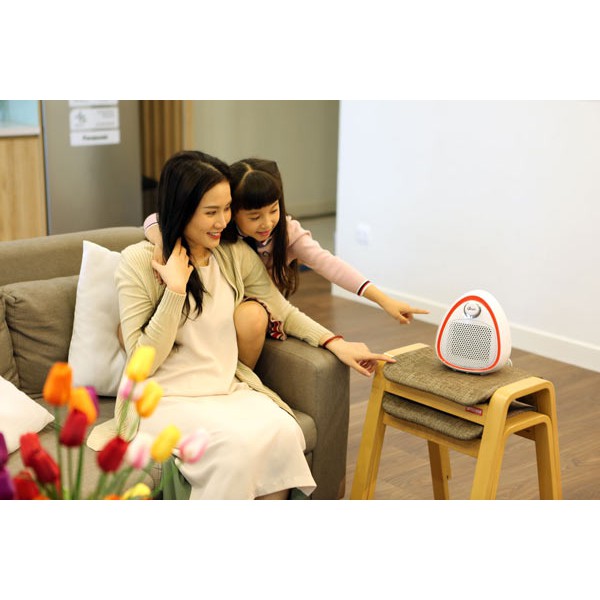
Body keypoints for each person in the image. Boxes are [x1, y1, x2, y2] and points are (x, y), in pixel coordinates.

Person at [90, 150, 395, 500]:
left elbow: (282, 311)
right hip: (160, 398)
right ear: (181, 209)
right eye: (211, 212)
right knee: (236, 449)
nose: (223, 221)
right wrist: (174, 291)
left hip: (223, 388)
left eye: (227, 208)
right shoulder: (139, 262)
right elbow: (140, 363)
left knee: (284, 431)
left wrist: (336, 343)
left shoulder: (233, 254)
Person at [144, 157, 428, 369]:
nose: (267, 223)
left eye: (274, 210)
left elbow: (329, 265)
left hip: (264, 310)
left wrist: (383, 300)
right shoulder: (223, 234)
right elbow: (157, 219)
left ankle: (241, 378)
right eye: (254, 217)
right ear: (234, 211)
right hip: (220, 313)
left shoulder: (287, 234)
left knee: (254, 315)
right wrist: (161, 242)